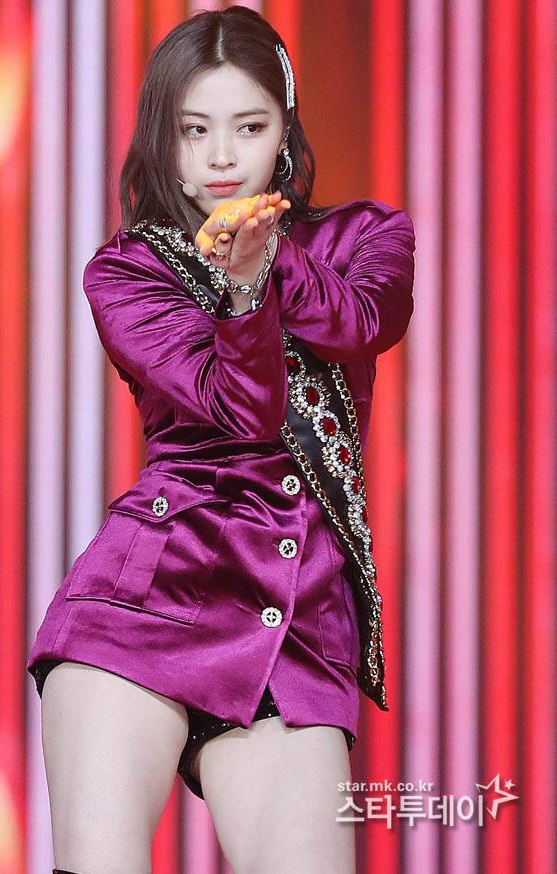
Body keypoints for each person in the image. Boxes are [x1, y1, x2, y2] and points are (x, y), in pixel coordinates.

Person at [26, 6, 415, 874]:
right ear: (161, 138)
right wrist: (240, 297)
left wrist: (268, 259)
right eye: (193, 129)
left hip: (299, 626)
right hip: (147, 602)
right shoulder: (129, 270)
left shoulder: (366, 236)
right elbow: (240, 412)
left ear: (285, 127)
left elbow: (365, 321)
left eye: (249, 126)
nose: (221, 157)